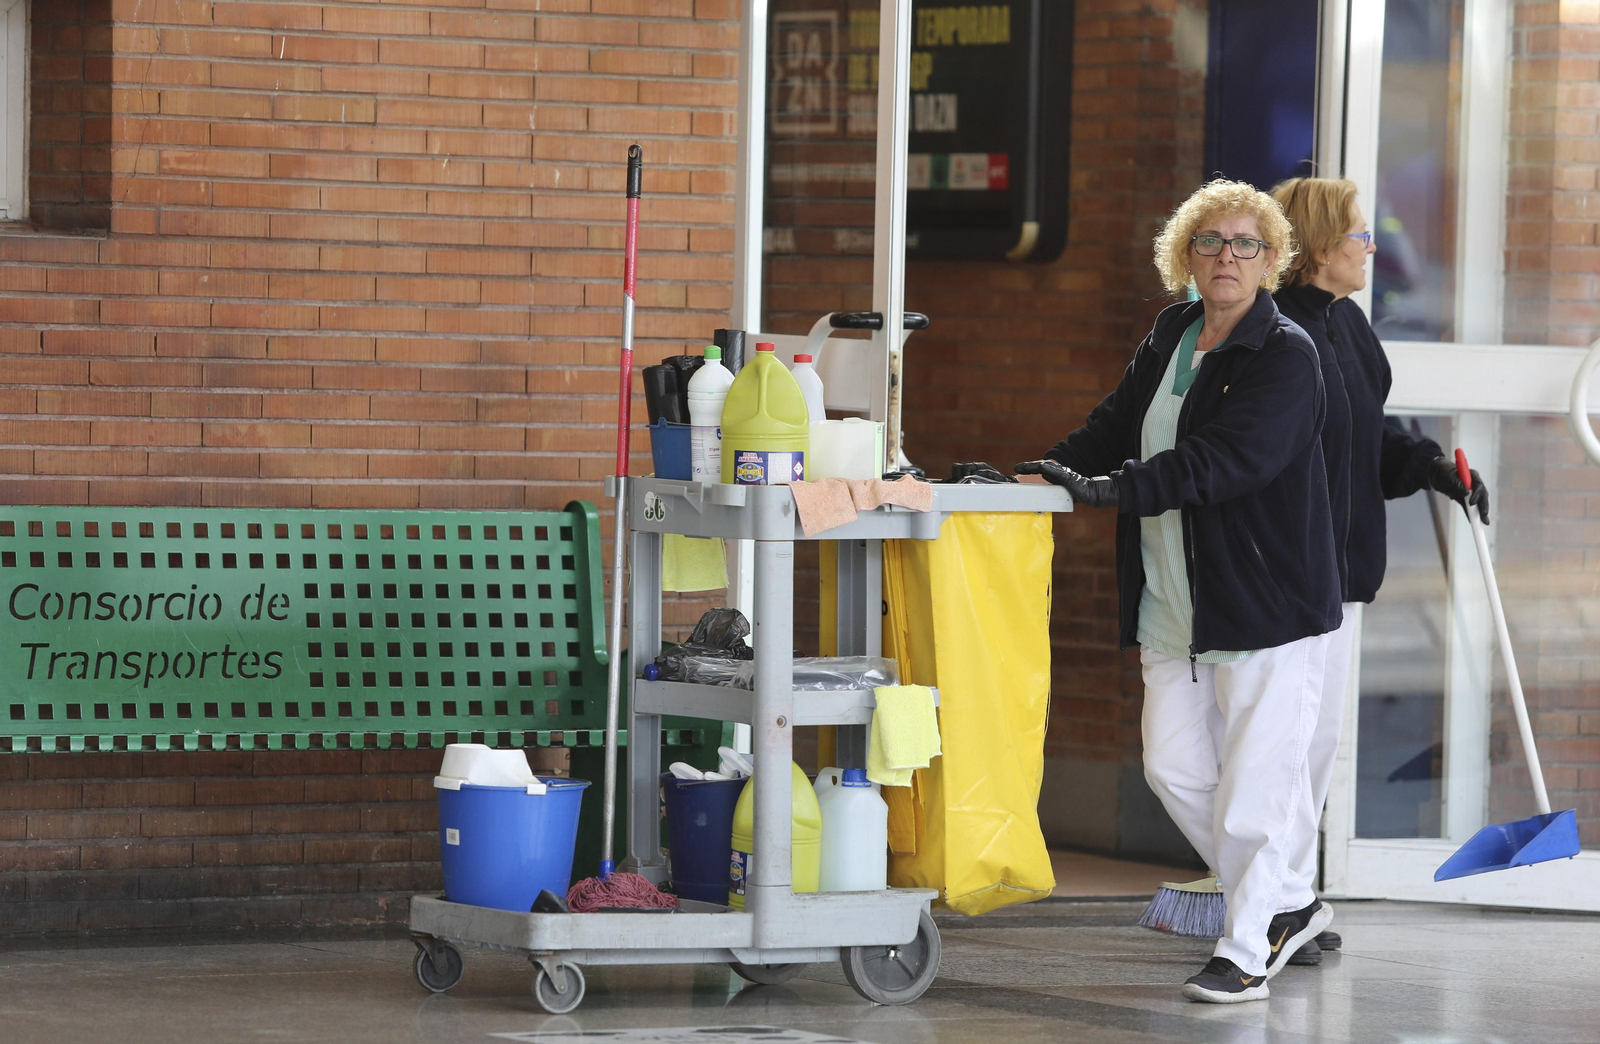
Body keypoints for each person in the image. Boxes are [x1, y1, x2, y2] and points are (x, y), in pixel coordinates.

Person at [1017, 179, 1341, 1004]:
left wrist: (1113, 490)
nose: (1226, 258)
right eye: (1210, 243)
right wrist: (1039, 475)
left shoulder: (1287, 354)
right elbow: (1116, 422)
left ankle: (1246, 946)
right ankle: (1291, 899)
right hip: (1175, 608)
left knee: (1253, 792)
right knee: (1171, 768)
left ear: (1272, 261)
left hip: (1267, 607)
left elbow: (1228, 462)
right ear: (1185, 256)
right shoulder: (1173, 332)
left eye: (1245, 245)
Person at [1270, 176, 1489, 963]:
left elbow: (1375, 436)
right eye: (1360, 234)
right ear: (1321, 248)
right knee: (1285, 747)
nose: (1372, 246)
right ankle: (1281, 899)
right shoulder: (1276, 334)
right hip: (1292, 576)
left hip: (1346, 574)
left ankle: (1289, 901)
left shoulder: (1351, 328)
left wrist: (1433, 466)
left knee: (1318, 744)